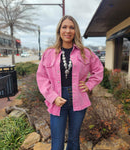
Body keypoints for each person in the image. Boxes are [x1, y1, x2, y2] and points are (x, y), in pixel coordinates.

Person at [36, 15, 104, 150]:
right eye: (64, 27)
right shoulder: (49, 53)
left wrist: (89, 85)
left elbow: (99, 70)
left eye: (71, 27)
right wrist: (52, 97)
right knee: (57, 140)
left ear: (76, 31)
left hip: (78, 99)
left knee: (73, 139)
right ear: (59, 30)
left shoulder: (85, 53)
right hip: (57, 99)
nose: (68, 31)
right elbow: (42, 78)